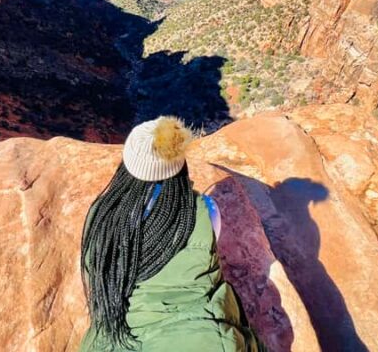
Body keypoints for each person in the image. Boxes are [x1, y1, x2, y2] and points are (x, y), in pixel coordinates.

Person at [79, 116, 266, 351]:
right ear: (179, 166)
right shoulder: (205, 211)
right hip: (201, 337)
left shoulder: (102, 214)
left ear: (126, 165)